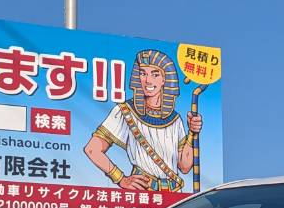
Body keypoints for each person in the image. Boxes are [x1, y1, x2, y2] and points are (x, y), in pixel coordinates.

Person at [84, 50, 202, 192]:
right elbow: (92, 149)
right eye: (143, 73)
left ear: (165, 79)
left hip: (173, 195)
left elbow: (184, 166)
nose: (148, 80)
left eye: (155, 74)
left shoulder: (175, 119)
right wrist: (121, 179)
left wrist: (192, 133)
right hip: (142, 194)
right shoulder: (125, 111)